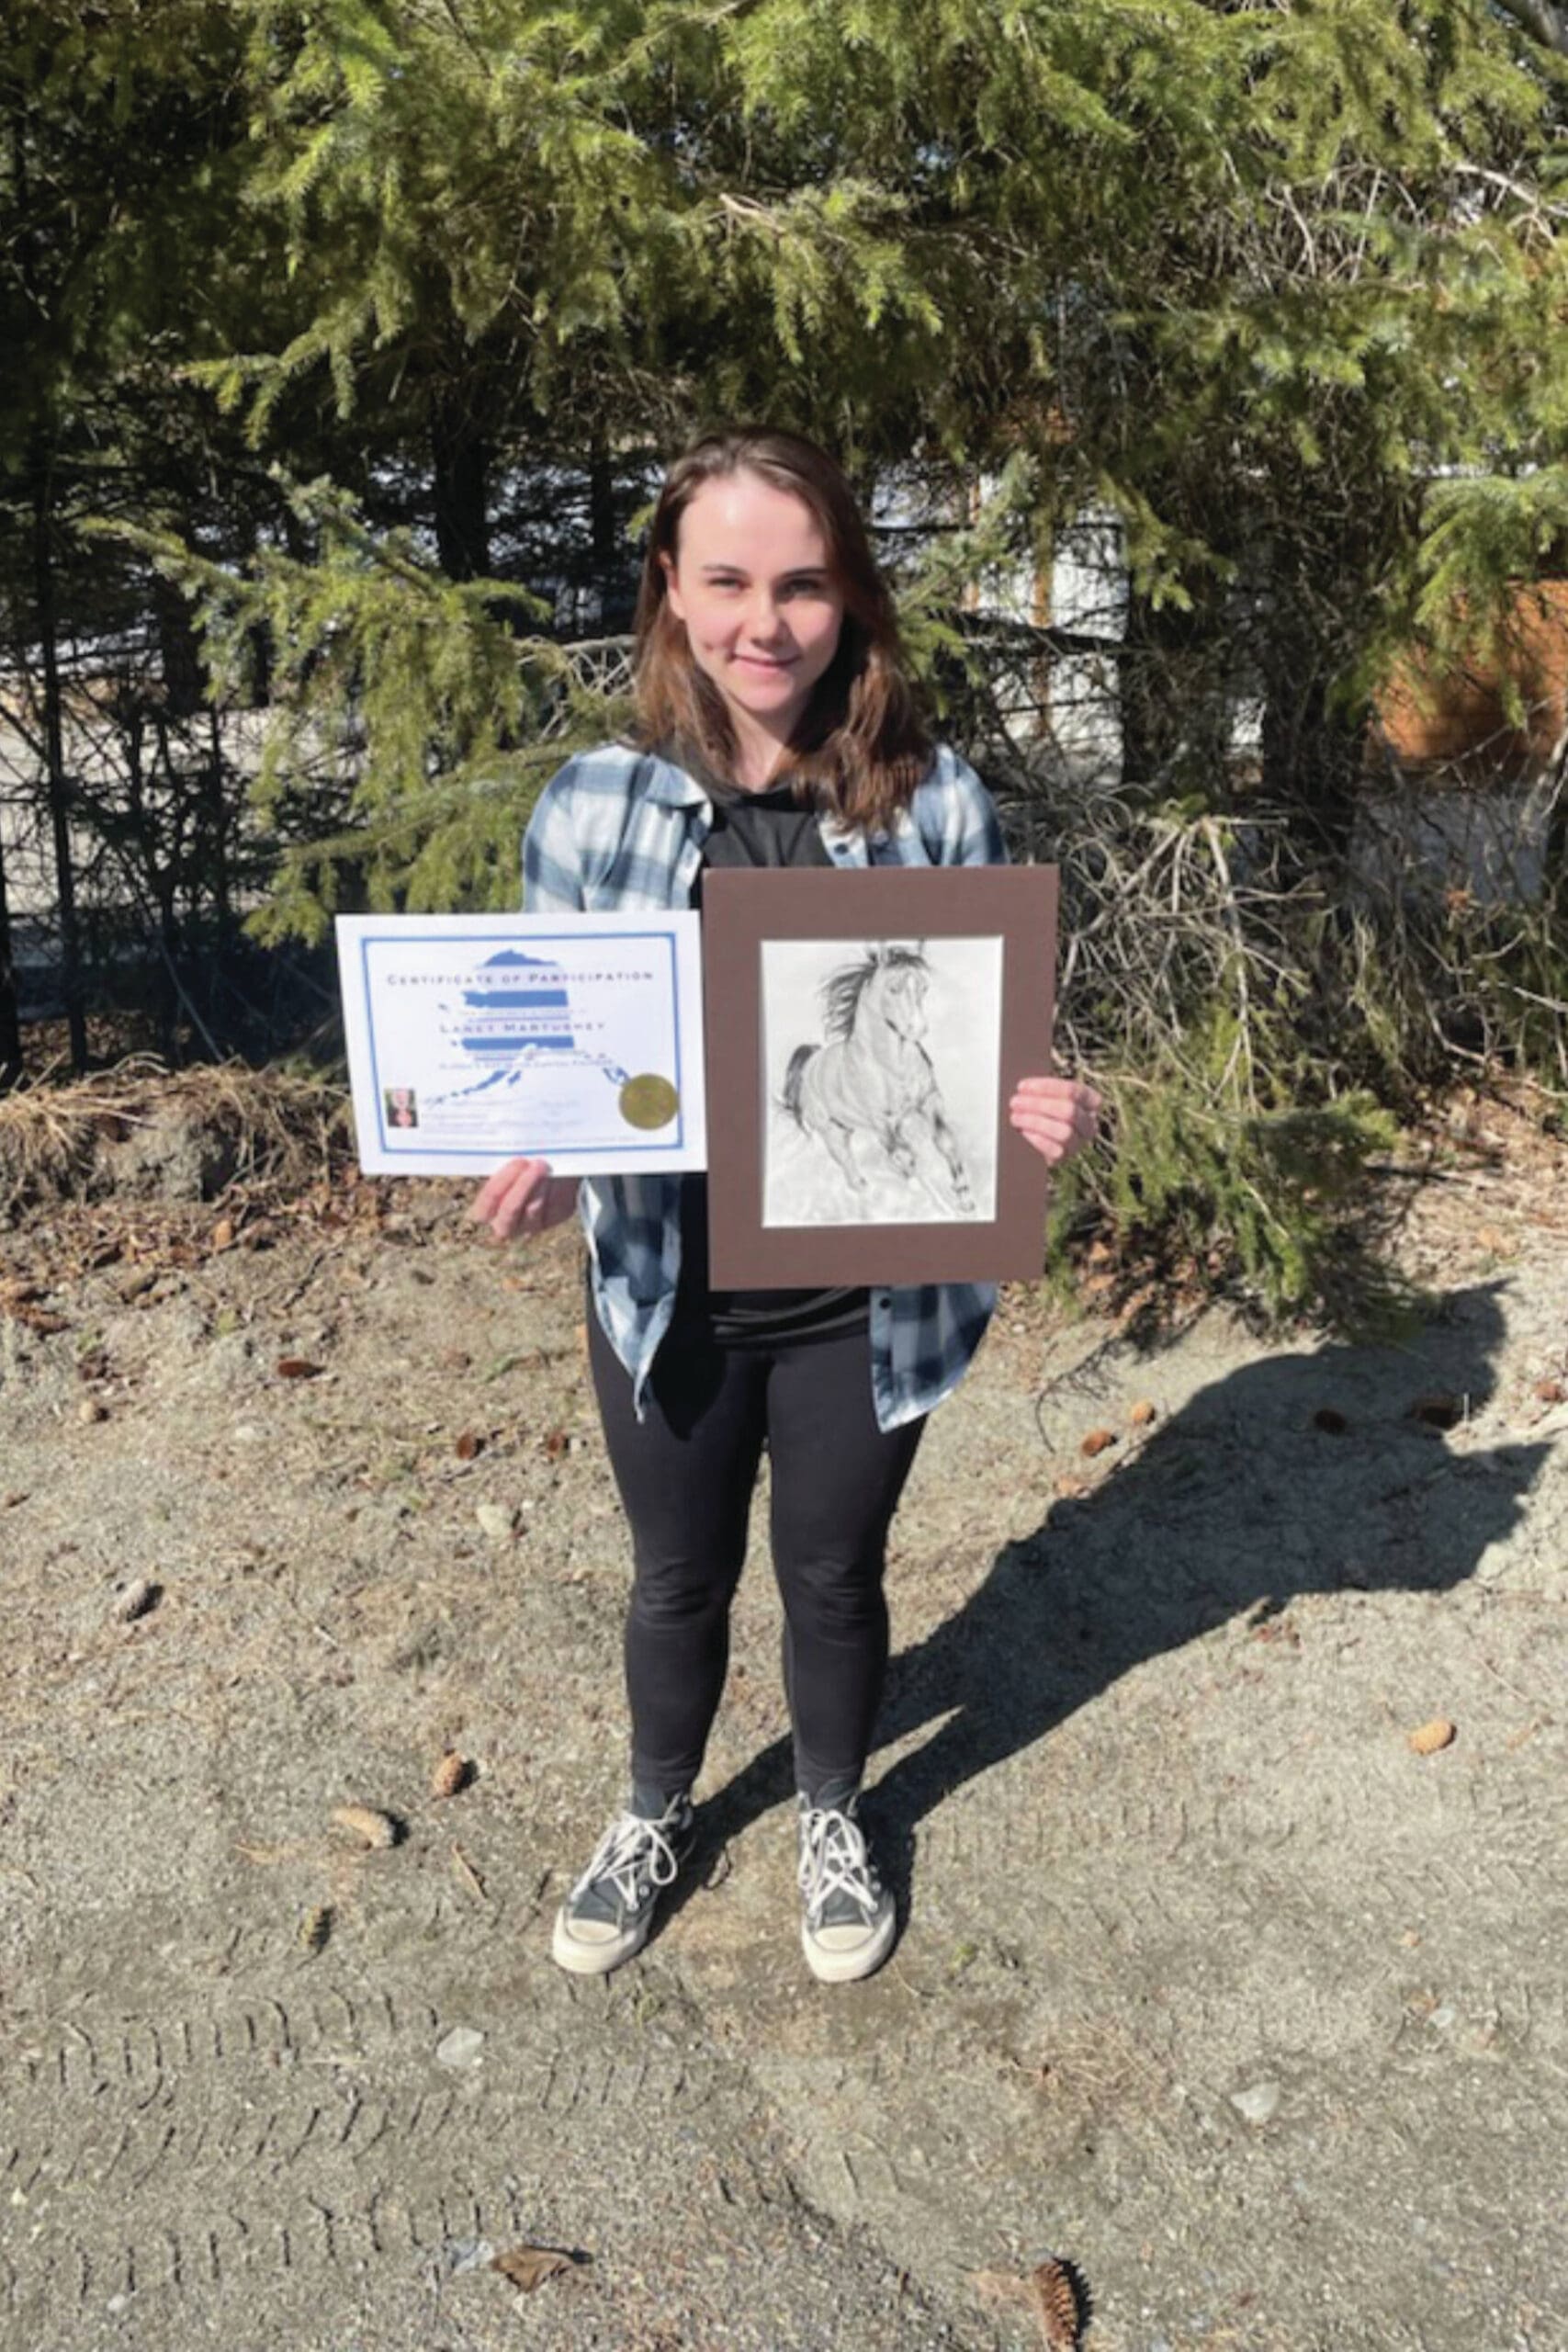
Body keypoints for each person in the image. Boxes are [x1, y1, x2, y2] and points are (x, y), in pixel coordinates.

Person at [470, 426, 1100, 1985]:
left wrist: (1038, 1114)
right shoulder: (591, 808)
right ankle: (654, 1809)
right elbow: (550, 1057)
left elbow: (985, 1055)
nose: (768, 621)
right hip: (663, 1289)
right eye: (731, 581)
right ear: (672, 597)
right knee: (676, 1577)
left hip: (865, 1302)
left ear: (851, 599)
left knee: (833, 1574)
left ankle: (832, 1807)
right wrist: (540, 1159)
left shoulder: (935, 798)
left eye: (804, 584)